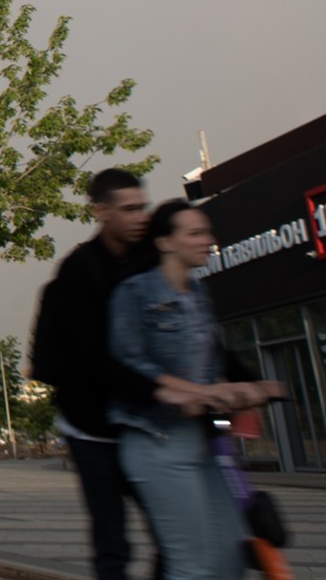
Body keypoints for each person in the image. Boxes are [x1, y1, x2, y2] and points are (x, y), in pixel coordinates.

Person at [108, 200, 282, 580]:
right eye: (196, 233)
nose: (209, 240)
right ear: (166, 242)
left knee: (230, 560)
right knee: (193, 567)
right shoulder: (134, 292)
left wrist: (251, 385)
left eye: (207, 232)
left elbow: (215, 358)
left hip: (204, 443)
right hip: (157, 442)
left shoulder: (197, 294)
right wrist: (192, 393)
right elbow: (128, 362)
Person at [30, 168, 166, 580]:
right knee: (112, 543)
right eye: (128, 210)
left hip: (142, 423)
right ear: (101, 212)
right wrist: (162, 389)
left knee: (172, 533)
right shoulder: (79, 272)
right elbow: (90, 359)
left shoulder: (153, 262)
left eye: (143, 207)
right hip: (94, 431)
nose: (139, 217)